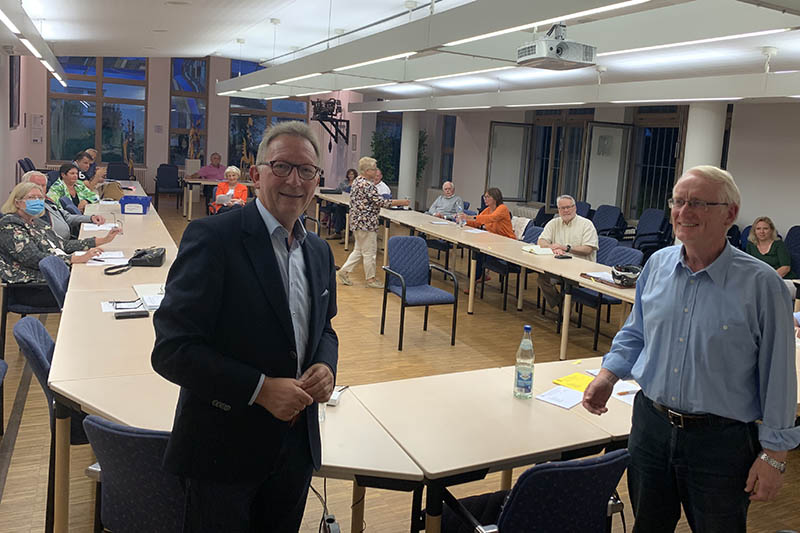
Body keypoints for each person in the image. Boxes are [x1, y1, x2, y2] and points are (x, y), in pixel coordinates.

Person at [582, 165, 799, 532]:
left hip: (721, 442)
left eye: (697, 203)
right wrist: (608, 374)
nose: (684, 212)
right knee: (648, 525)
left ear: (730, 214)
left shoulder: (763, 286)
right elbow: (637, 331)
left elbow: (779, 374)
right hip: (651, 427)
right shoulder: (657, 265)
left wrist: (775, 455)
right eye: (678, 202)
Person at [151, 121, 338, 532]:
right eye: (282, 167)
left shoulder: (320, 252)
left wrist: (326, 367)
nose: (295, 180)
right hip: (222, 451)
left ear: (317, 180)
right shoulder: (213, 238)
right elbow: (172, 350)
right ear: (255, 175)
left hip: (295, 450)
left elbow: (326, 329)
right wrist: (260, 389)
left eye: (307, 170)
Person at [0, 182, 120, 304]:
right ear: (17, 202)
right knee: (91, 291)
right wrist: (75, 258)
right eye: (31, 197)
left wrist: (102, 240)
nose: (37, 201)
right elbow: (34, 258)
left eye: (40, 198)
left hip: (54, 277)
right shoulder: (10, 225)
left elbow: (63, 244)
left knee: (98, 282)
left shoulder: (36, 221)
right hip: (33, 286)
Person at [337, 158, 408, 289]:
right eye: (374, 169)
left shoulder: (357, 181)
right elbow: (381, 202)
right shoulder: (368, 185)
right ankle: (371, 279)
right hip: (366, 224)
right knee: (370, 252)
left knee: (359, 250)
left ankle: (344, 271)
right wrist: (401, 202)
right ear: (367, 170)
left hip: (357, 222)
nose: (376, 171)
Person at [537, 194, 599, 311]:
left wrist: (566, 248)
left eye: (568, 207)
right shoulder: (554, 223)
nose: (566, 211)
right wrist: (552, 247)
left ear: (575, 208)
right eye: (562, 208)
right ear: (558, 210)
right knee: (542, 279)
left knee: (569, 283)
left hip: (581, 269)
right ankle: (561, 305)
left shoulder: (586, 225)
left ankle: (564, 315)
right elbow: (541, 241)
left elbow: (588, 249)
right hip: (558, 266)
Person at [456, 188, 515, 288]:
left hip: (506, 242)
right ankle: (476, 278)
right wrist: (463, 221)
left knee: (479, 253)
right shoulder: (487, 210)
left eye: (487, 197)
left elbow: (491, 218)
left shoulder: (502, 209)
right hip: (493, 241)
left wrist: (470, 217)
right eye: (484, 197)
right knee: (477, 251)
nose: (485, 199)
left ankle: (475, 280)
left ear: (495, 198)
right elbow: (478, 222)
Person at [23, 171, 106, 240]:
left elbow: (67, 217)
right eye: (37, 185)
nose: (40, 188)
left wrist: (91, 218)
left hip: (66, 241)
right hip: (57, 246)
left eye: (43, 185)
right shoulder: (30, 207)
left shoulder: (47, 201)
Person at [324, 168, 357, 242]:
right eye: (349, 174)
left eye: (352, 174)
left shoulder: (357, 183)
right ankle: (337, 232)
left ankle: (347, 234)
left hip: (354, 205)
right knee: (338, 209)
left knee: (345, 212)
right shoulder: (344, 182)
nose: (350, 175)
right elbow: (339, 189)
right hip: (342, 202)